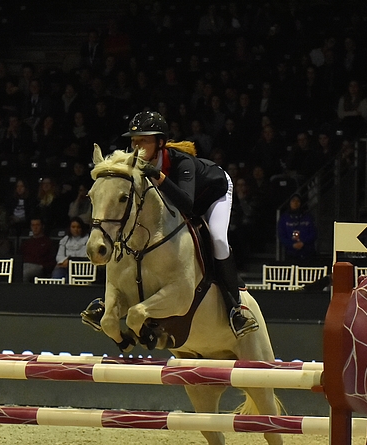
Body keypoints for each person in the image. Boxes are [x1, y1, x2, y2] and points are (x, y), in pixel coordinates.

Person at [85, 111, 258, 338]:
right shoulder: (133, 162)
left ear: (160, 143)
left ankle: (236, 308)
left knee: (217, 239)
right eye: (134, 141)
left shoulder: (181, 162)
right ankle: (111, 301)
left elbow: (187, 204)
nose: (137, 147)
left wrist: (157, 176)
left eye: (143, 141)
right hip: (176, 199)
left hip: (211, 193)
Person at [277, 194, 317, 264]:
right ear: (289, 203)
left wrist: (303, 242)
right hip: (291, 253)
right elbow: (281, 235)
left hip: (307, 252)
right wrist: (292, 244)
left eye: (298, 201)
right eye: (293, 201)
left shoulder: (307, 217)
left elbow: (313, 233)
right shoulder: (284, 218)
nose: (295, 203)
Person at [20, 217, 56, 282]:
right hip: (25, 265)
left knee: (24, 274)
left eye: (37, 225)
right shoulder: (26, 243)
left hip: (39, 267)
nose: (35, 228)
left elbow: (52, 261)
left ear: (42, 226)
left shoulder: (48, 242)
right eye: (33, 225)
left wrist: (43, 267)